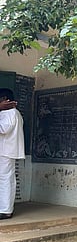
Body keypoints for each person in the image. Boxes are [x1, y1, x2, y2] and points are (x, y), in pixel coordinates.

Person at [0, 88, 25, 219]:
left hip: (5, 151)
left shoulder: (10, 113)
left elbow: (3, 129)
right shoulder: (13, 113)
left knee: (5, 180)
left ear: (5, 100)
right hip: (6, 150)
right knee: (5, 179)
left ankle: (5, 210)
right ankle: (4, 208)